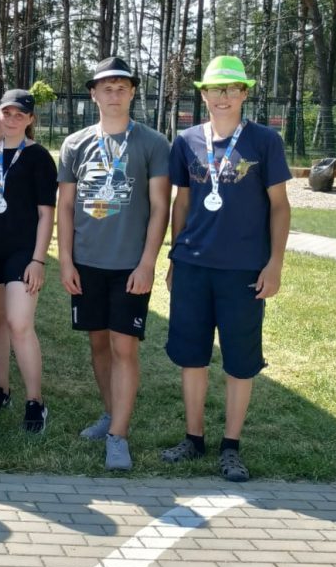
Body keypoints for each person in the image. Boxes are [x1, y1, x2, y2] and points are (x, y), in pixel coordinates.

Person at [162, 55, 290, 482]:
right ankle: (193, 438)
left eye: (232, 89)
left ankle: (230, 446)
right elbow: (182, 202)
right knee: (192, 357)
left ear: (244, 93)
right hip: (193, 267)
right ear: (203, 94)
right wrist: (174, 257)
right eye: (216, 89)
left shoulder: (264, 141)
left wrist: (274, 264)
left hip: (243, 271)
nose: (224, 97)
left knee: (240, 361)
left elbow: (280, 206)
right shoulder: (186, 141)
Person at [57, 57, 170, 471]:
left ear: (133, 92)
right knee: (99, 343)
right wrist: (65, 261)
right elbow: (65, 207)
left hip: (129, 266)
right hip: (87, 263)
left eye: (122, 87)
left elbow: (160, 207)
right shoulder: (75, 144)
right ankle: (110, 414)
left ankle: (118, 437)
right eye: (107, 87)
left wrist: (147, 263)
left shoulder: (153, 143)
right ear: (93, 94)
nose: (114, 94)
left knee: (124, 346)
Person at [0, 89, 57, 433]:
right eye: (6, 113)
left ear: (30, 119)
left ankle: (35, 401)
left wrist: (38, 259)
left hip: (23, 253)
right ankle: (1, 389)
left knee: (19, 323)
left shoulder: (39, 157)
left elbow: (46, 214)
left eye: (19, 114)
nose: (11, 119)